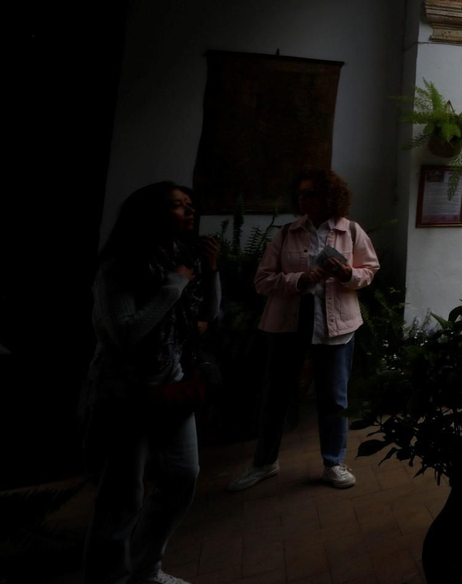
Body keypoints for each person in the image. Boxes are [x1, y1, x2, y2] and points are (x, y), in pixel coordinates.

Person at [82, 181, 220, 584]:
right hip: (124, 395)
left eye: (190, 205)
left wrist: (209, 272)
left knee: (182, 477)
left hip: (171, 389)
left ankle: (144, 568)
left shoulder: (178, 256)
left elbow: (208, 315)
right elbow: (126, 333)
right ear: (151, 215)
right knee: (121, 499)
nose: (189, 211)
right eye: (178, 206)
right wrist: (173, 286)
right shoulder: (118, 269)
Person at [227, 168, 379, 492]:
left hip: (337, 323)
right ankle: (264, 462)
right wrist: (301, 280)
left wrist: (347, 273)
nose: (301, 198)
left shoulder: (350, 231)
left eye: (308, 192)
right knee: (275, 395)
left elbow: (370, 270)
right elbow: (262, 280)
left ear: (327, 196)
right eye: (298, 193)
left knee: (335, 396)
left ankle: (334, 463)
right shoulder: (286, 233)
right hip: (288, 322)